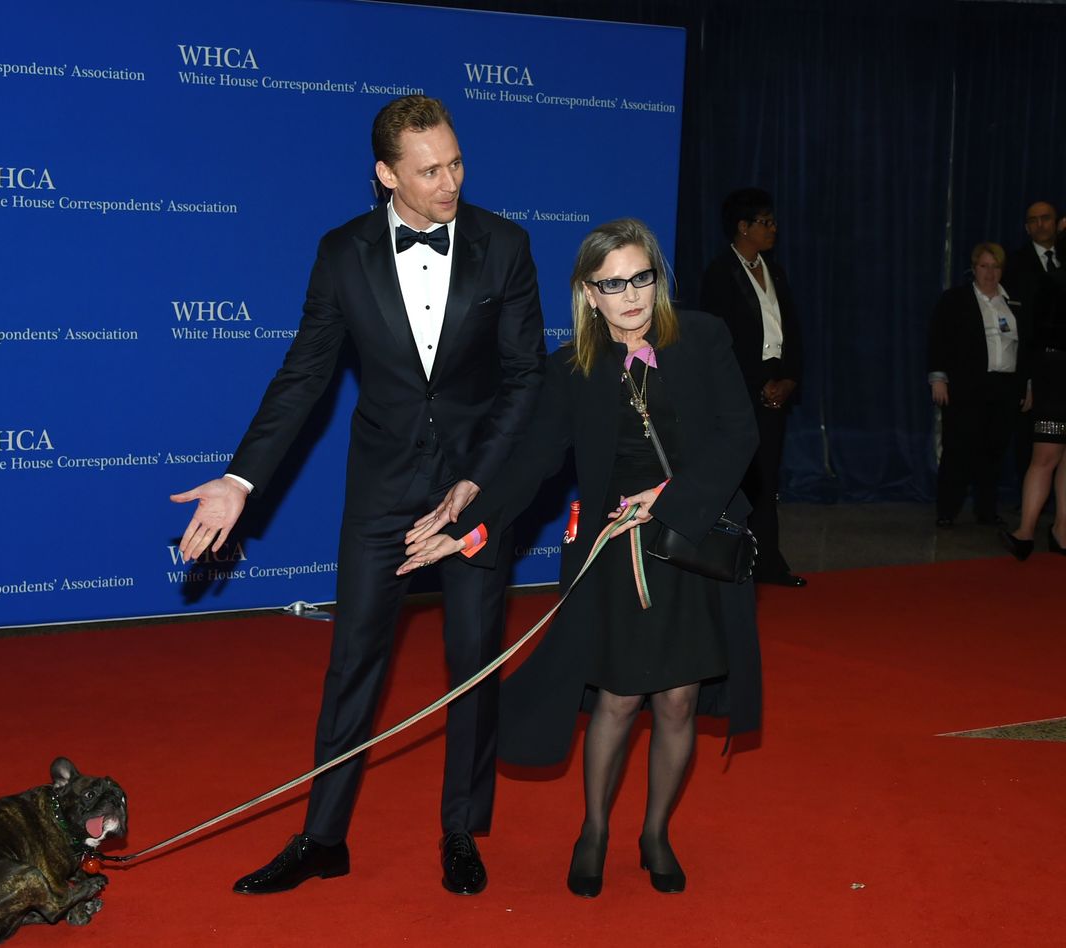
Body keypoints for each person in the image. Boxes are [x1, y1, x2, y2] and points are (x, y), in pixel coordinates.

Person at [170, 95, 545, 896]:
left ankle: (460, 829)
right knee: (352, 664)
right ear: (386, 176)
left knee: (472, 659)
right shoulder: (342, 252)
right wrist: (240, 481)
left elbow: (524, 381)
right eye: (429, 170)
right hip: (382, 486)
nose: (451, 182)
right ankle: (322, 837)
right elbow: (304, 374)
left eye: (456, 163)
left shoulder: (505, 245)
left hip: (474, 482)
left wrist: (477, 484)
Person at [399, 218, 761, 898]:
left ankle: (655, 832)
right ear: (588, 293)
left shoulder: (704, 336)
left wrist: (674, 497)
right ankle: (593, 830)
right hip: (616, 552)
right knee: (620, 698)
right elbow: (533, 463)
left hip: (689, 543)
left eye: (641, 278)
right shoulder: (572, 369)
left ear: (658, 276)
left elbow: (739, 435)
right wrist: (466, 525)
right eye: (612, 284)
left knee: (680, 700)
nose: (630, 295)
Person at [698, 188, 806, 586]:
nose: (773, 228)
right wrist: (757, 385)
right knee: (736, 478)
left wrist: (790, 378)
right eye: (766, 222)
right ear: (743, 227)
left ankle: (769, 563)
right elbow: (718, 341)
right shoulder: (719, 272)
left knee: (768, 477)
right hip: (738, 389)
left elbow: (791, 328)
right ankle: (727, 562)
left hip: (777, 385)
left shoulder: (775, 270)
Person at [927, 243, 1029, 528]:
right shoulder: (955, 299)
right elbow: (939, 340)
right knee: (958, 450)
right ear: (974, 268)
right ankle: (947, 510)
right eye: (984, 266)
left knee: (993, 452)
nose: (990, 272)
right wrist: (938, 378)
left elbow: (1026, 347)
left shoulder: (1013, 302)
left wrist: (1026, 386)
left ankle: (986, 510)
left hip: (1004, 387)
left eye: (995, 267)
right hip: (965, 387)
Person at [1001, 255, 1066, 559]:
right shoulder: (1052, 281)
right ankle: (1052, 532)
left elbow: (1033, 336)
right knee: (1049, 456)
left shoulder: (1052, 280)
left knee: (1046, 457)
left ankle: (1030, 532)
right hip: (1054, 374)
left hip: (1053, 373)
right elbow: (1034, 335)